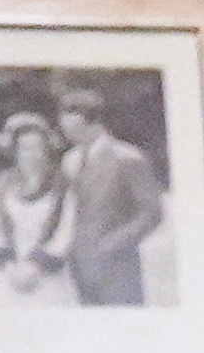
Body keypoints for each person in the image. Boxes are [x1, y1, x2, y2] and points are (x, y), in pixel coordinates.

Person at [54, 87, 158, 306]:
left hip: (118, 267)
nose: (65, 129)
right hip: (78, 267)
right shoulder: (69, 160)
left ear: (89, 120)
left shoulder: (128, 158)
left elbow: (151, 214)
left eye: (71, 121)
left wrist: (113, 243)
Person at [0, 115, 70, 303]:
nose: (33, 155)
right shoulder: (4, 187)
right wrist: (9, 266)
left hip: (47, 277)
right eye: (26, 149)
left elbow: (65, 232)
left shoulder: (62, 187)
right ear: (15, 151)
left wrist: (36, 266)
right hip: (9, 276)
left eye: (39, 148)